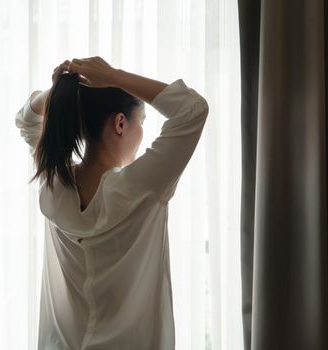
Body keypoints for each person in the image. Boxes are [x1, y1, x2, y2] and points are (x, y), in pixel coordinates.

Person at [15, 56, 209, 349]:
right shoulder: (142, 186)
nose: (142, 132)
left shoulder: (54, 182)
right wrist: (114, 76)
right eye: (141, 122)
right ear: (120, 123)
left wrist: (62, 90)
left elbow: (26, 119)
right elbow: (192, 109)